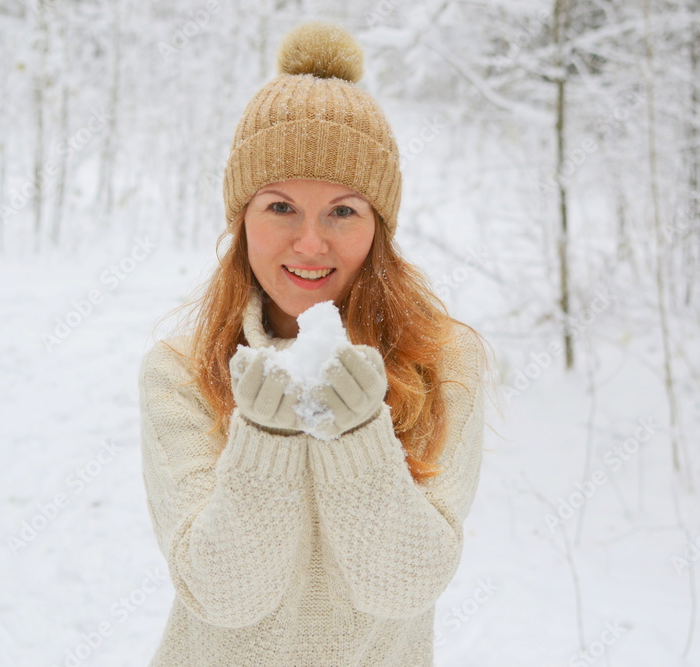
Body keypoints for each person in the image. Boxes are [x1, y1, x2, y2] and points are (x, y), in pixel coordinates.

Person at [138, 20, 492, 666]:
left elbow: (405, 583)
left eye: (343, 211)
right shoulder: (180, 372)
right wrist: (266, 440)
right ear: (241, 217)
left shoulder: (447, 363)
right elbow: (223, 594)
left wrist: (355, 433)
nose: (309, 242)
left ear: (379, 227)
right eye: (279, 207)